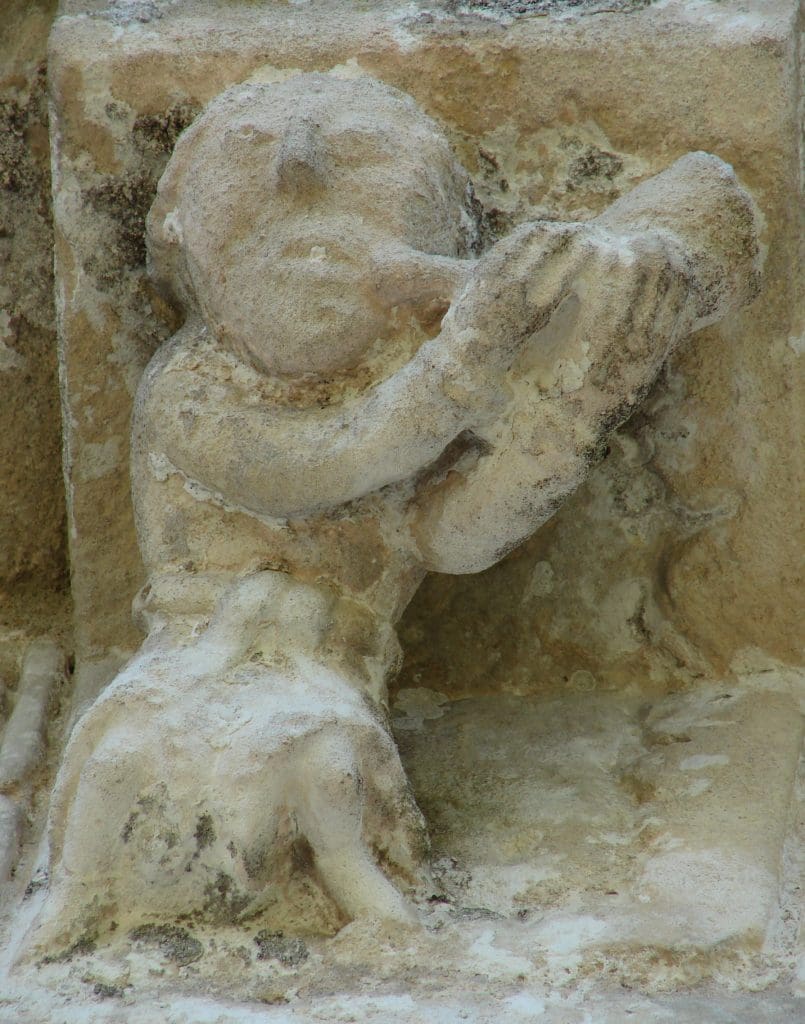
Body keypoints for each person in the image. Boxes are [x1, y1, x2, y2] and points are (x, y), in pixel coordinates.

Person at [23, 72, 760, 954]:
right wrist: (472, 350)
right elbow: (324, 463)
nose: (299, 167)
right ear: (176, 236)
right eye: (246, 152)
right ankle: (61, 913)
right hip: (196, 663)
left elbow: (453, 535)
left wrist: (576, 400)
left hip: (328, 673)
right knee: (115, 768)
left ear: (449, 238)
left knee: (325, 778)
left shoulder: (419, 386)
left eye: (367, 153)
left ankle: (374, 914)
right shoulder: (194, 384)